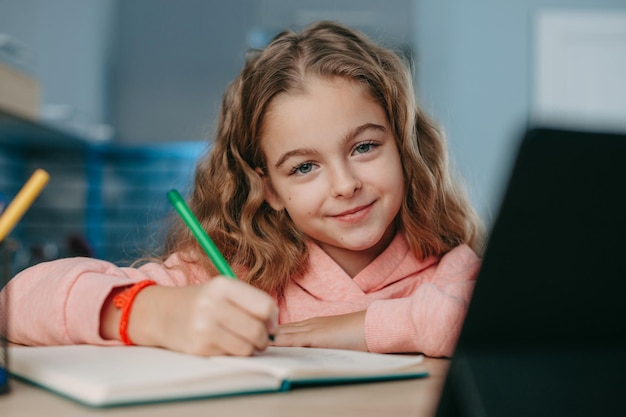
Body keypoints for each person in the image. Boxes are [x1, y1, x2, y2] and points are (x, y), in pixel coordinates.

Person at [0, 21, 484, 358]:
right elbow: (17, 302)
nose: (345, 185)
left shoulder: (450, 269)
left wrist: (356, 327)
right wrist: (152, 313)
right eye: (303, 168)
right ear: (267, 187)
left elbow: (500, 329)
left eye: (364, 147)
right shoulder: (232, 271)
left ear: (403, 144)